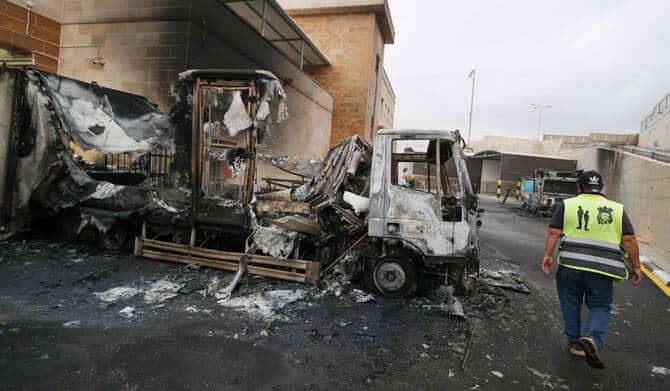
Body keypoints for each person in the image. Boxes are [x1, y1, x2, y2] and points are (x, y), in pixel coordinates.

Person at [541, 170, 642, 369]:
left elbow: (554, 231)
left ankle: (574, 343)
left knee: (570, 303)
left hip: (571, 265)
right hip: (603, 269)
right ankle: (592, 337)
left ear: (579, 187)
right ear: (601, 188)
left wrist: (548, 255)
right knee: (600, 304)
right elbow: (629, 239)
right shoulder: (617, 209)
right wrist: (636, 266)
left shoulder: (568, 204)